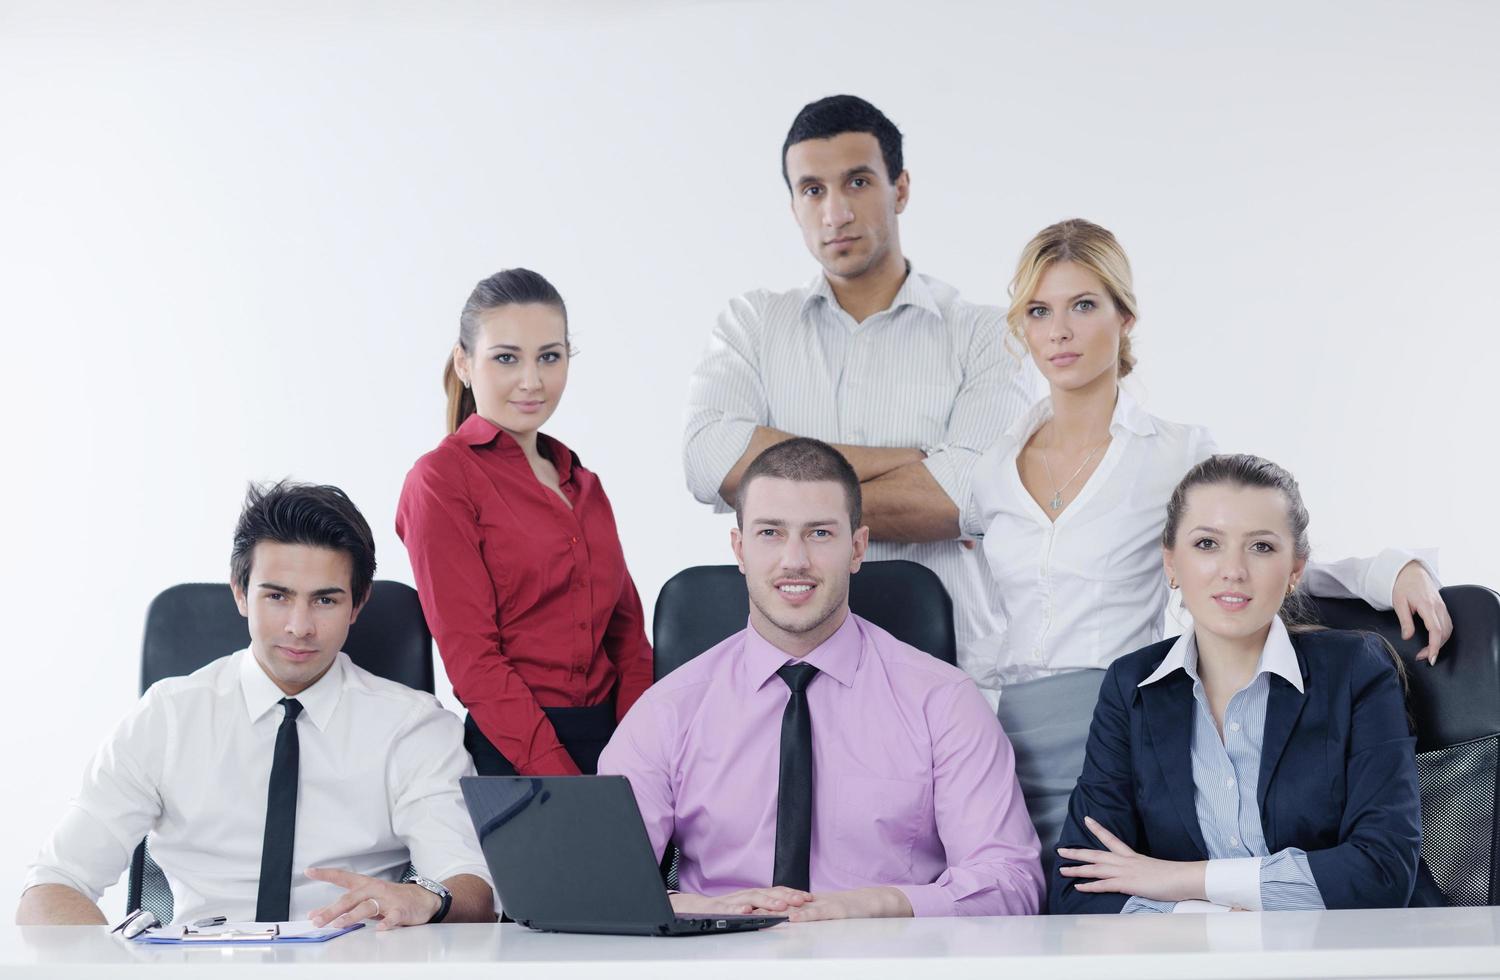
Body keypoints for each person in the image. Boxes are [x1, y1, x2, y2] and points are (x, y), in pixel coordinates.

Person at [963, 219, 1449, 858]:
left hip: (1123, 718)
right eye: (1038, 310)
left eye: (1083, 305)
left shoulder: (1173, 451)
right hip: (1007, 733)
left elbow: (1254, 552)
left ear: (1125, 316)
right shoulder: (992, 467)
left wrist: (1388, 571)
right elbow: (978, 612)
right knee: (1021, 913)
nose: (1059, 330)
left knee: (1120, 918)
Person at [682, 95, 1037, 704]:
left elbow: (964, 494)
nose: (835, 211)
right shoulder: (752, 325)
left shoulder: (984, 333)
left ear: (899, 188)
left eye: (858, 182)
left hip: (948, 672)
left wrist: (780, 498)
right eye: (812, 189)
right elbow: (709, 458)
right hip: (787, 677)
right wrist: (909, 458)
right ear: (793, 205)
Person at [600, 438, 1043, 920]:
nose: (794, 560)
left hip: (889, 961)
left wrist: (882, 904)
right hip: (720, 958)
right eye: (770, 532)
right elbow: (593, 883)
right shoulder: (667, 710)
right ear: (739, 548)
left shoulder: (944, 701)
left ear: (856, 548)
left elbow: (1011, 883)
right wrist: (705, 909)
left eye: (819, 534)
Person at [18, 481, 495, 928]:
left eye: (325, 601)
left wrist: (427, 900)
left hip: (354, 966)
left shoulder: (415, 727)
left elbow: (471, 885)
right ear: (241, 592)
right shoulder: (166, 718)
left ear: (358, 604)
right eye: (277, 596)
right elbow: (53, 885)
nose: (298, 626)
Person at [1051, 454, 1425, 913]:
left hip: (1344, 957)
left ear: (1295, 571)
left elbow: (1381, 873)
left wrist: (1177, 879)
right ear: (1171, 563)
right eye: (1207, 543)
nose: (1233, 570)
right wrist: (1212, 921)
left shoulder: (1356, 671)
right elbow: (1079, 890)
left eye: (1261, 547)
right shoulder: (1131, 687)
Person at [397, 268, 653, 777]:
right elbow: (473, 660)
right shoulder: (441, 481)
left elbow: (627, 639)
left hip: (618, 746)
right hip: (513, 754)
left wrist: (637, 756)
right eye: (507, 358)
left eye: (550, 357)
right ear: (464, 363)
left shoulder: (586, 484)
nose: (532, 381)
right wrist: (567, 783)